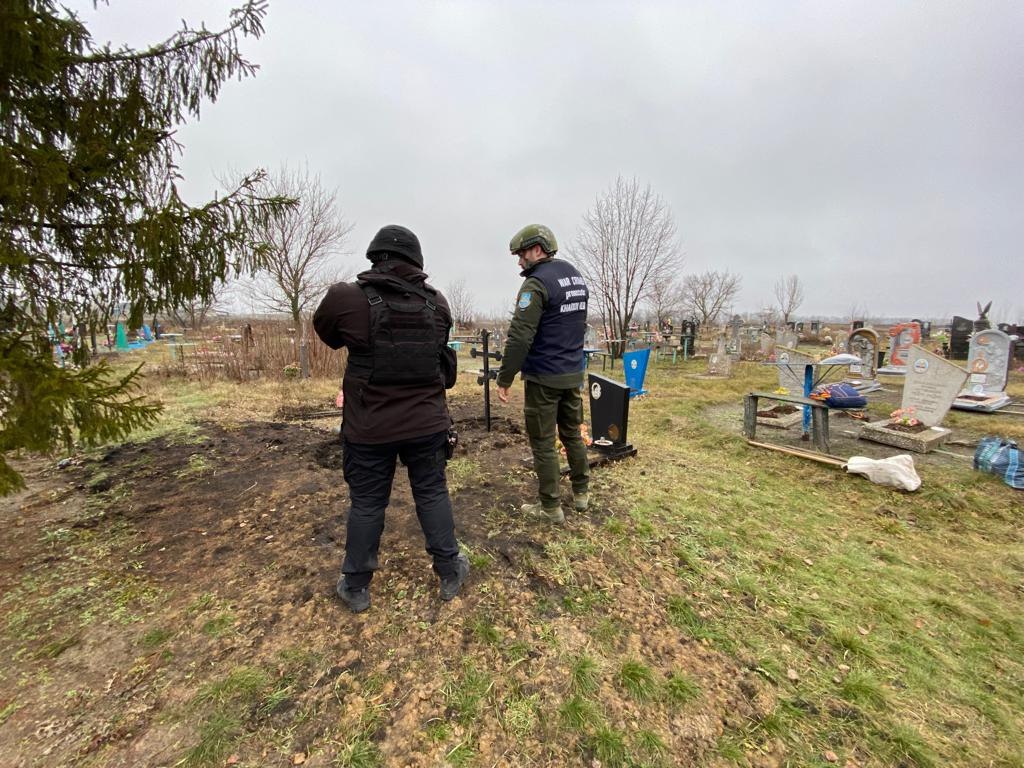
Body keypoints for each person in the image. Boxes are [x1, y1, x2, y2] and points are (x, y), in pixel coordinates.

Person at [312, 224, 468, 612]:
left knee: (366, 502)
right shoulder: (439, 304)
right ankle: (450, 571)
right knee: (431, 493)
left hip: (370, 427)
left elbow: (328, 334)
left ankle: (357, 586)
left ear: (374, 257)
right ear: (416, 262)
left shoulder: (345, 298)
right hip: (427, 424)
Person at [496, 224, 590, 524]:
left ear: (537, 249)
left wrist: (505, 377)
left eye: (521, 254)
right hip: (572, 373)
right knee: (572, 434)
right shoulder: (574, 275)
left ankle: (550, 507)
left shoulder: (535, 284)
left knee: (543, 441)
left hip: (544, 376)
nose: (519, 261)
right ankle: (581, 494)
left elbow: (521, 335)